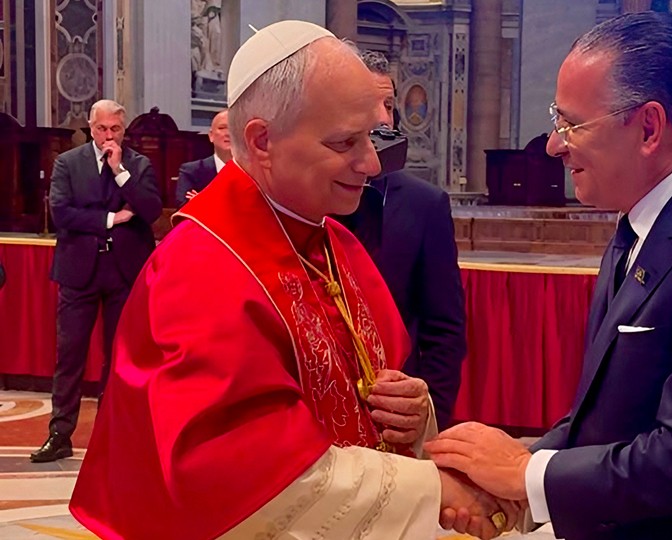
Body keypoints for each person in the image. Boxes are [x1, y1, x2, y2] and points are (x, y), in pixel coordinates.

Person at [69, 21, 516, 540]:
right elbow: (239, 473)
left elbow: (357, 394)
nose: (371, 163)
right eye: (346, 141)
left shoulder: (328, 238)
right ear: (262, 141)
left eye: (370, 136)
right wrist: (434, 488)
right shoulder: (200, 269)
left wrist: (414, 415)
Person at [426, 12, 672, 540]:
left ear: (649, 128)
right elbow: (610, 420)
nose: (552, 145)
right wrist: (519, 464)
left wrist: (526, 474)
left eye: (572, 124)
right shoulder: (645, 215)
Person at [340, 50, 467, 430]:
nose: (383, 117)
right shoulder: (305, 197)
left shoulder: (425, 204)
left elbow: (445, 330)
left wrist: (430, 420)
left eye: (390, 104)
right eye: (370, 102)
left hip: (396, 418)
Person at [30, 99, 162, 464]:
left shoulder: (138, 165)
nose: (108, 136)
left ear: (124, 130)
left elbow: (150, 210)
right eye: (102, 129)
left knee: (118, 357)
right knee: (70, 353)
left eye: (115, 129)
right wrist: (111, 219)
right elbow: (63, 213)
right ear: (90, 127)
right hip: (79, 272)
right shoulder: (67, 164)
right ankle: (59, 433)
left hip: (123, 272)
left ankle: (112, 432)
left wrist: (121, 172)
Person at [175, 109, 231, 207]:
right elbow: (184, 209)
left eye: (234, 128)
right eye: (222, 128)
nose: (228, 133)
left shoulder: (254, 171)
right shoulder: (191, 171)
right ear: (211, 135)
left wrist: (203, 202)